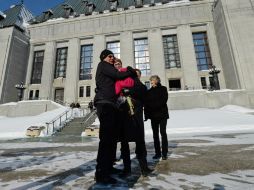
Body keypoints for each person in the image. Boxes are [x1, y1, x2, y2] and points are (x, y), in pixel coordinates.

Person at [93, 49, 136, 184]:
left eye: (113, 56)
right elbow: (118, 75)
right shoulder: (103, 65)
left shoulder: (107, 68)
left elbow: (117, 81)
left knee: (111, 139)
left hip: (111, 104)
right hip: (105, 104)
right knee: (106, 139)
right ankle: (101, 173)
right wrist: (130, 71)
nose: (112, 58)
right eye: (110, 56)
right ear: (104, 57)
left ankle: (108, 168)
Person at [115, 64, 153, 177]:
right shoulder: (127, 82)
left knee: (137, 142)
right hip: (126, 117)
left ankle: (141, 168)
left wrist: (128, 91)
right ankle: (131, 169)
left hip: (135, 117)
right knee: (126, 143)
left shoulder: (138, 85)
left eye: (136, 75)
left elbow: (143, 93)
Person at [144, 75, 169, 160]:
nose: (152, 81)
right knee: (155, 135)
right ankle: (157, 153)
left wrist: (153, 106)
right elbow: (146, 105)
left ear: (158, 80)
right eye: (151, 80)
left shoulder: (163, 89)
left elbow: (163, 100)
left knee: (163, 133)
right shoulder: (149, 92)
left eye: (153, 80)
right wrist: (146, 115)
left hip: (162, 115)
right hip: (153, 116)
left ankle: (164, 153)